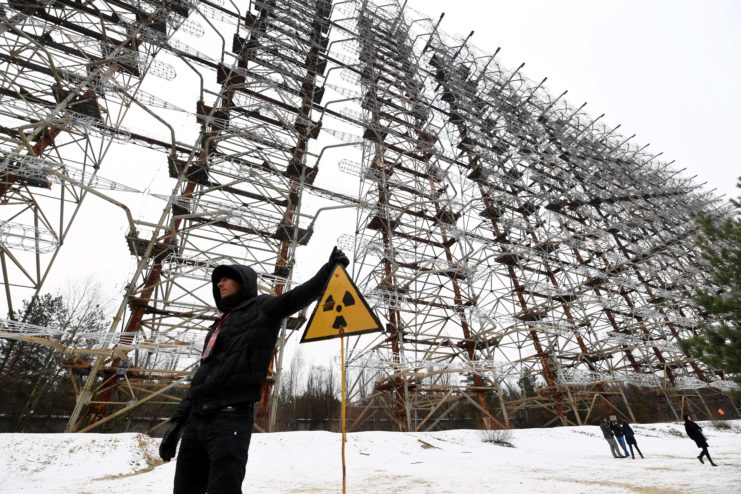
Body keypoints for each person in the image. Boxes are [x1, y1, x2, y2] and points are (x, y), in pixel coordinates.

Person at [158, 247, 351, 493]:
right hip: (196, 421)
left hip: (230, 420)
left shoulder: (263, 308)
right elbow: (201, 377)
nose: (220, 284)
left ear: (243, 281)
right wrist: (177, 422)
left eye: (226, 278)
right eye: (218, 281)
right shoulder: (217, 326)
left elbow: (295, 298)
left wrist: (327, 272)